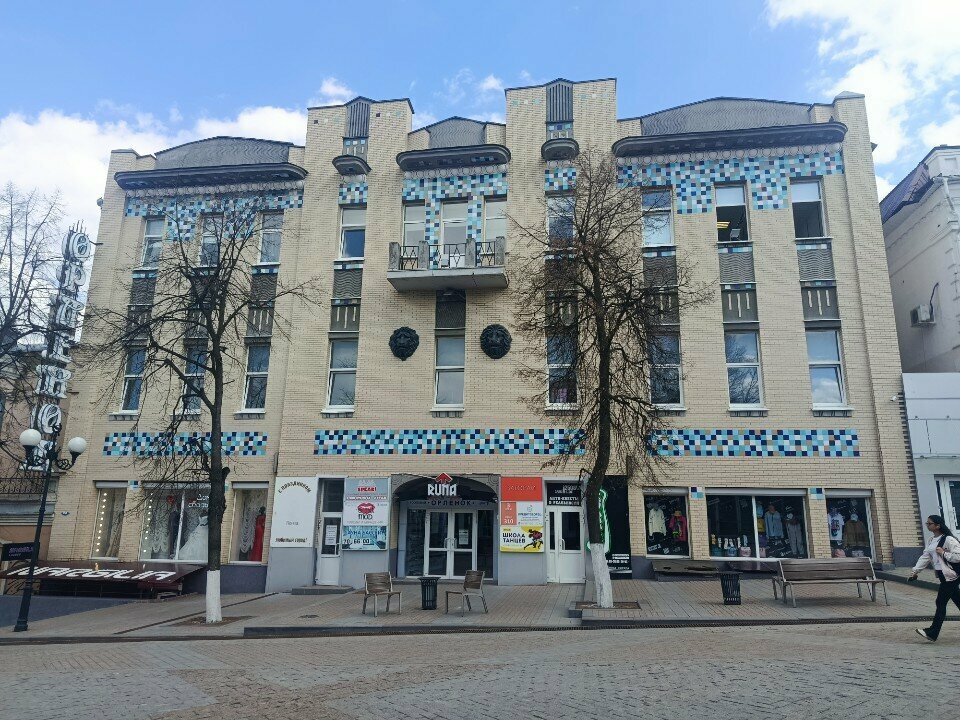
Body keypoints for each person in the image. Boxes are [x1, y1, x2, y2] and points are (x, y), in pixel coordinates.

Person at [909, 515, 960, 642]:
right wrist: (915, 571)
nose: (927, 525)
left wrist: (943, 553)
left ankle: (932, 633)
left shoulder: (948, 539)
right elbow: (925, 557)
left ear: (938, 525)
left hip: (951, 576)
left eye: (929, 523)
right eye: (927, 523)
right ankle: (932, 633)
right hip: (943, 575)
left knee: (940, 602)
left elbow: (958, 556)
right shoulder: (931, 539)